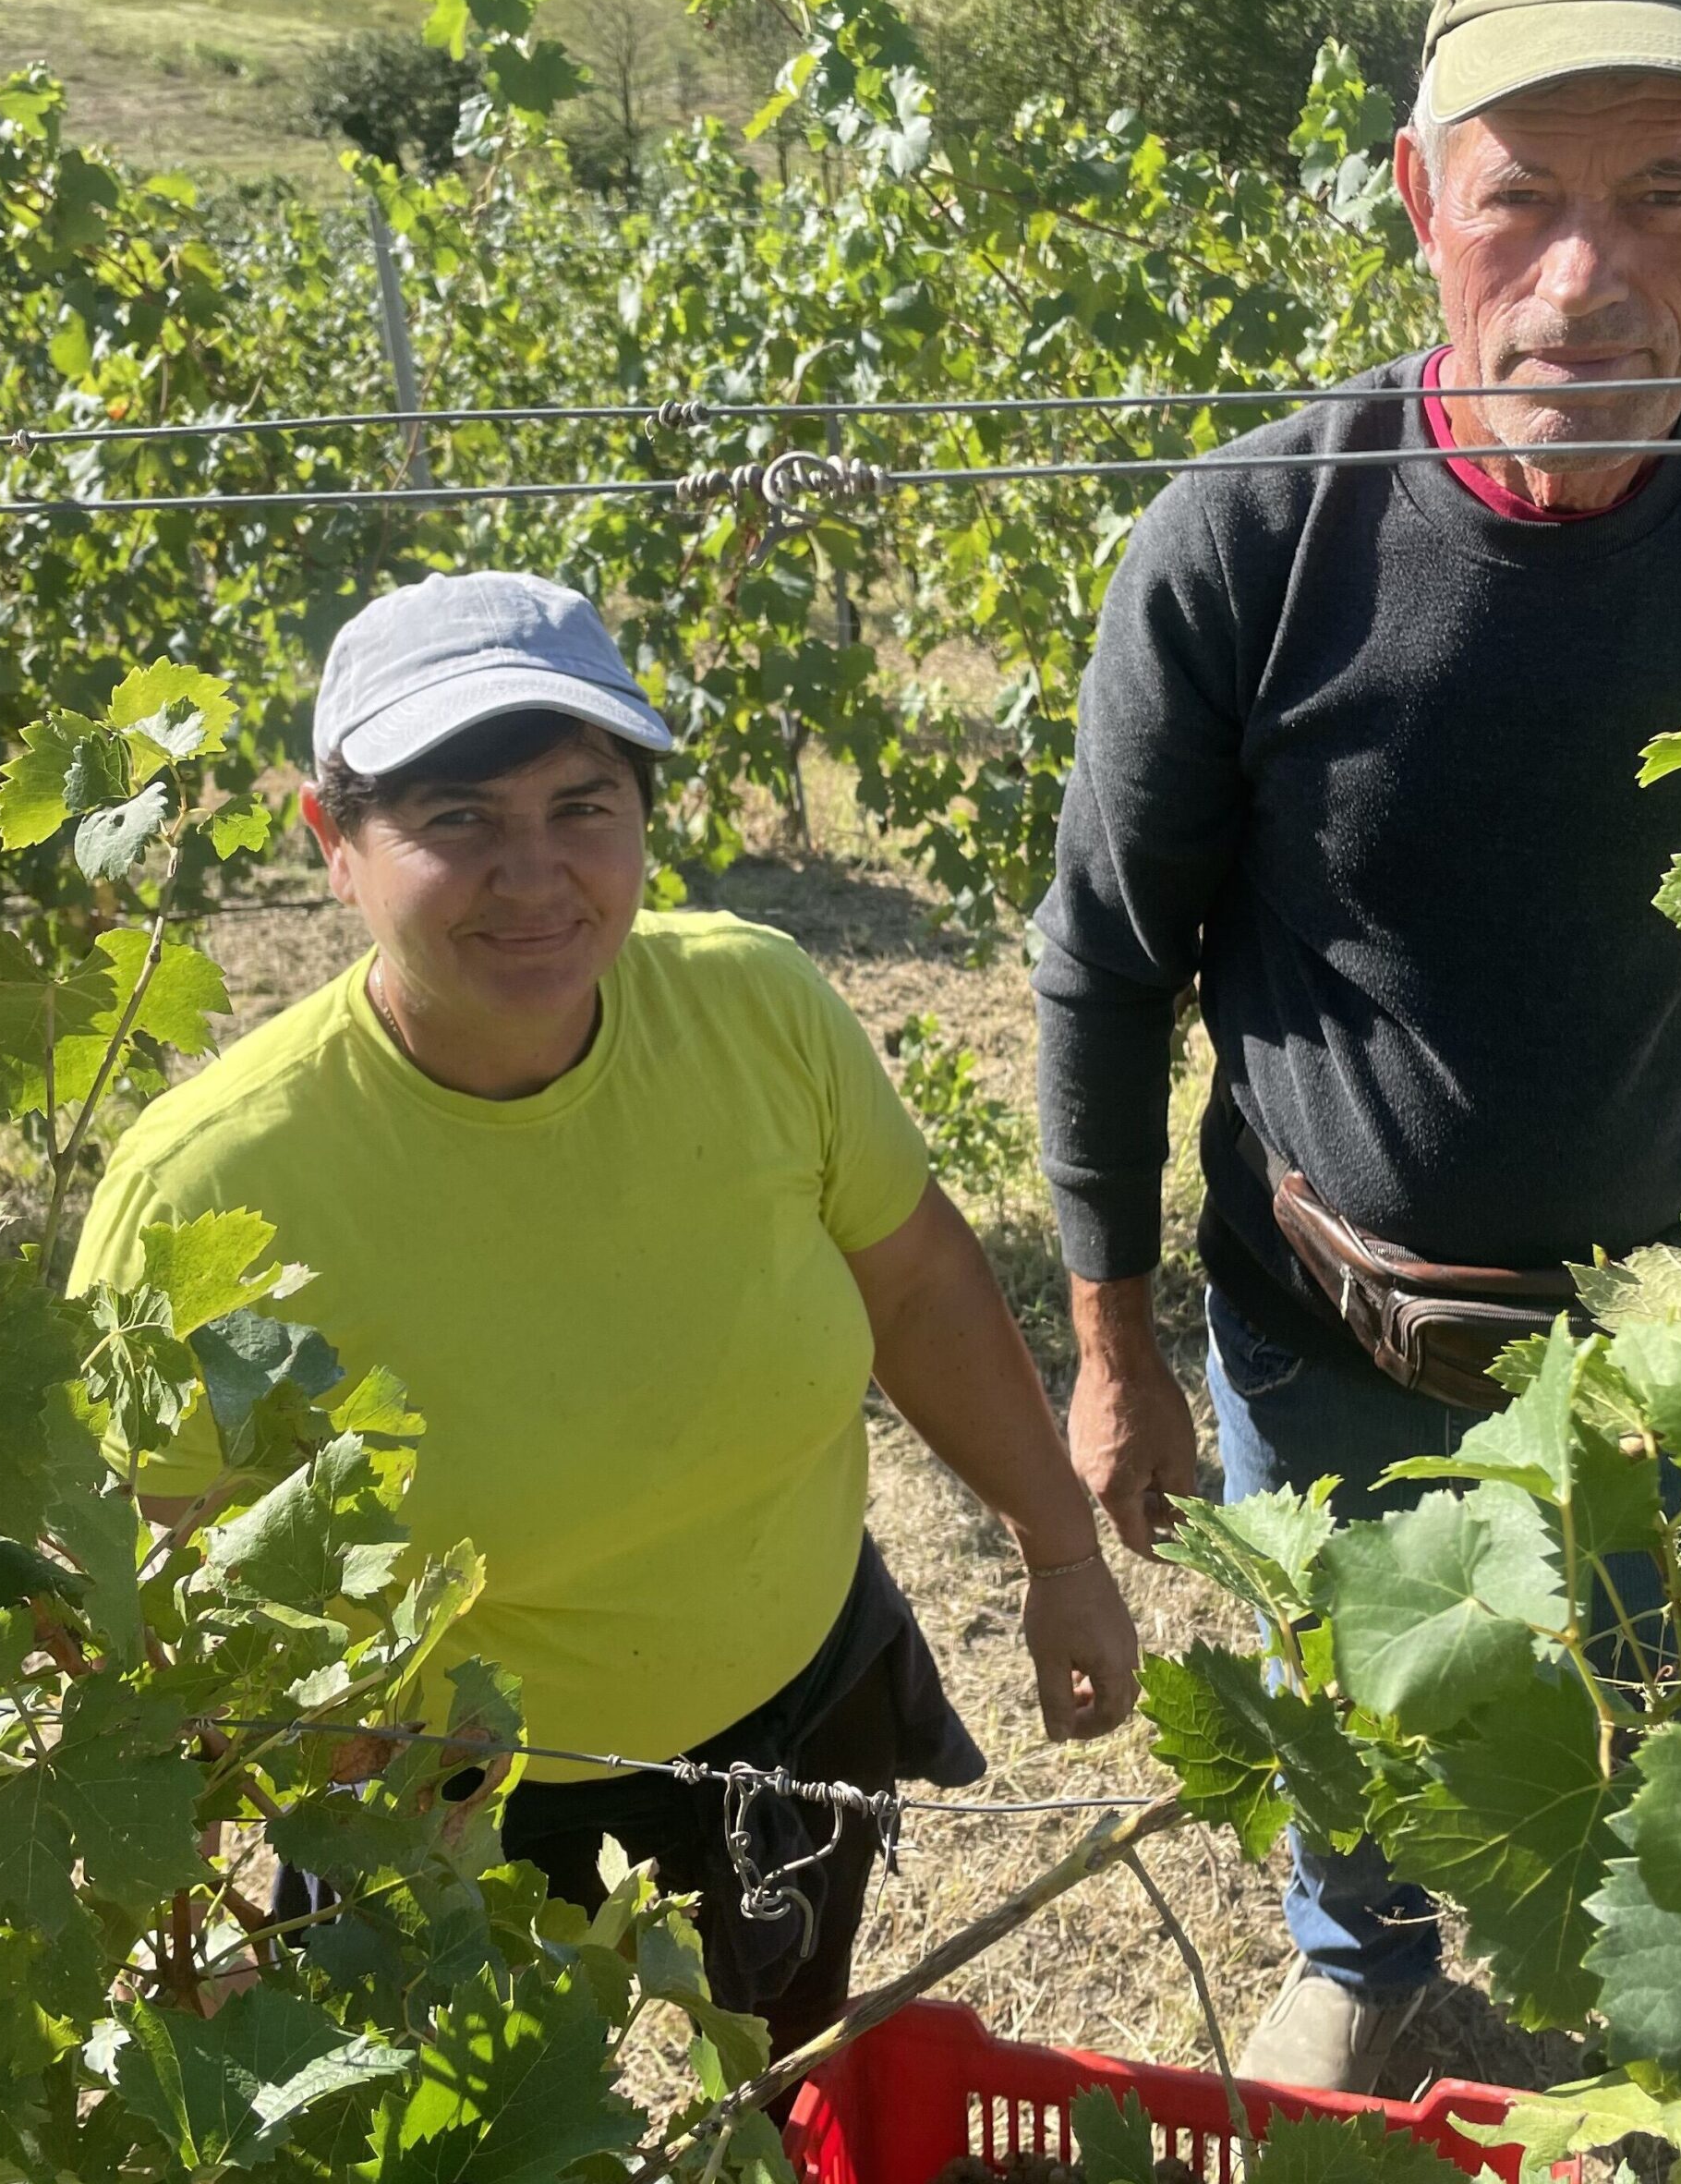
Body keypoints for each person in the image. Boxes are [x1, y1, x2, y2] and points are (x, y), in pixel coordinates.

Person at [1031, 0, 1681, 2094]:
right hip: (1319, 1327)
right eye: (1516, 197)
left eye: (1669, 196)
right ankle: (1357, 1946)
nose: (1584, 281)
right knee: (1354, 1715)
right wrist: (1112, 1346)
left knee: (1636, 1746)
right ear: (1410, 196)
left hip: (1670, 1355)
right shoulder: (1247, 543)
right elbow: (1100, 963)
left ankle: (1608, 2005)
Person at [72, 569, 1141, 2070]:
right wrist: (323, 1779)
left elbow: (918, 1286)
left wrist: (1060, 1549)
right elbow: (159, 1570)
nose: (535, 876)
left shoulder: (757, 1009)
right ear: (335, 844)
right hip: (445, 1814)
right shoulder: (209, 1186)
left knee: (768, 2075)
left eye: (583, 805)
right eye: (457, 820)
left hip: (798, 1716)